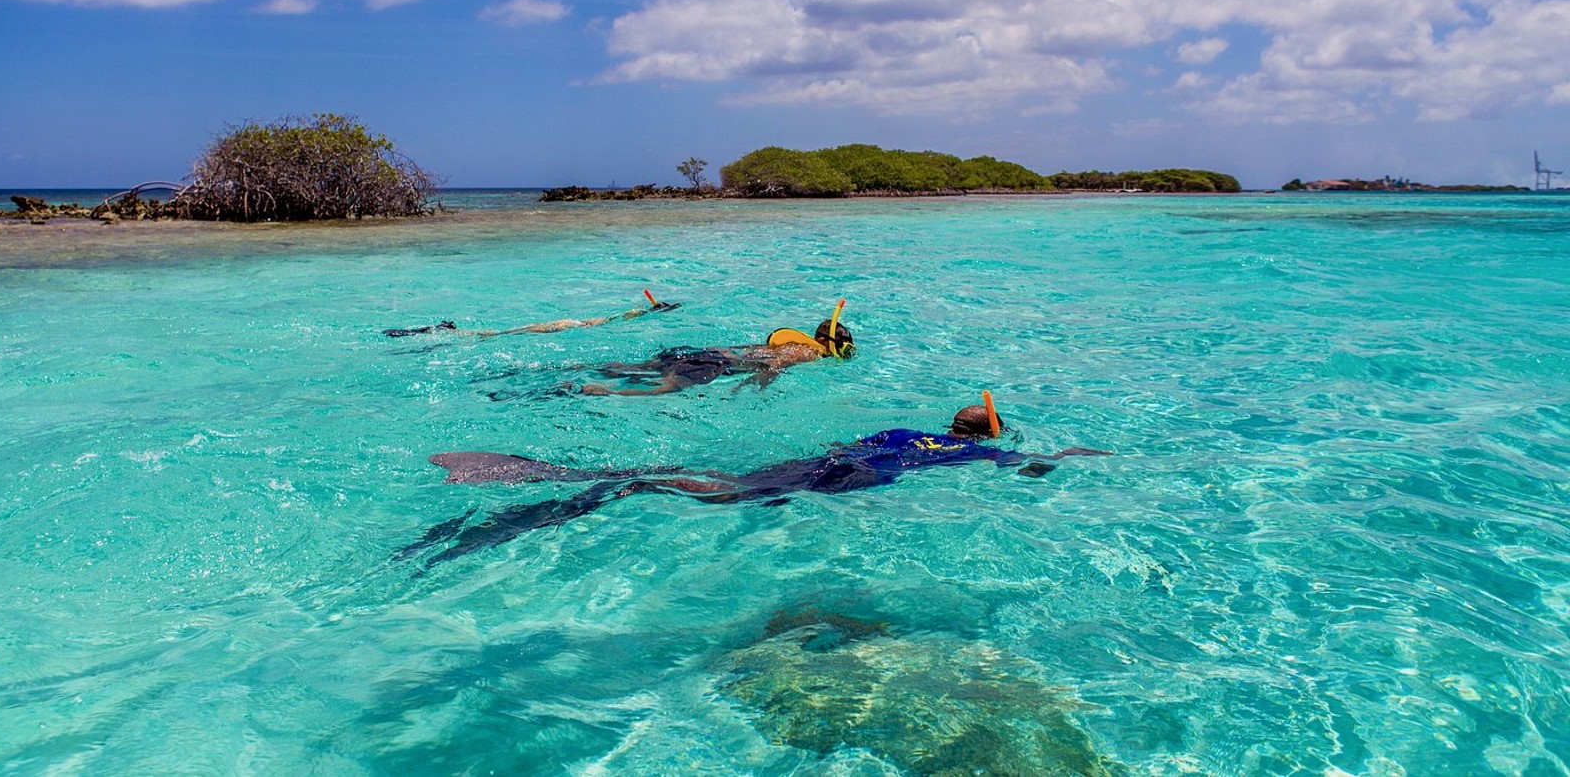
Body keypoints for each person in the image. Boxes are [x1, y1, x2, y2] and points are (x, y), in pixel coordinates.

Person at [397, 405, 1110, 567]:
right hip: (853, 481)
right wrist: (1072, 450)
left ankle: (574, 477)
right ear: (989, 434)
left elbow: (839, 443)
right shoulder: (977, 455)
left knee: (734, 482)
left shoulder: (903, 429)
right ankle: (624, 487)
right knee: (721, 492)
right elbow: (1034, 469)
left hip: (836, 461)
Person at [576, 318, 854, 396]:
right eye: (843, 348)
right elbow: (775, 364)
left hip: (712, 352)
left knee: (644, 368)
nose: (842, 354)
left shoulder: (794, 342)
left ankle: (586, 369)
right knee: (669, 387)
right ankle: (607, 392)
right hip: (722, 364)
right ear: (823, 342)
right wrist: (754, 386)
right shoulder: (810, 351)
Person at [383, 300, 679, 338]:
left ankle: (444, 330)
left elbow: (616, 318)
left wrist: (650, 311)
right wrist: (650, 312)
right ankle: (439, 331)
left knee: (495, 334)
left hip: (560, 324)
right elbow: (619, 318)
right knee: (494, 336)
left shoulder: (591, 322)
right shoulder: (589, 324)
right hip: (556, 327)